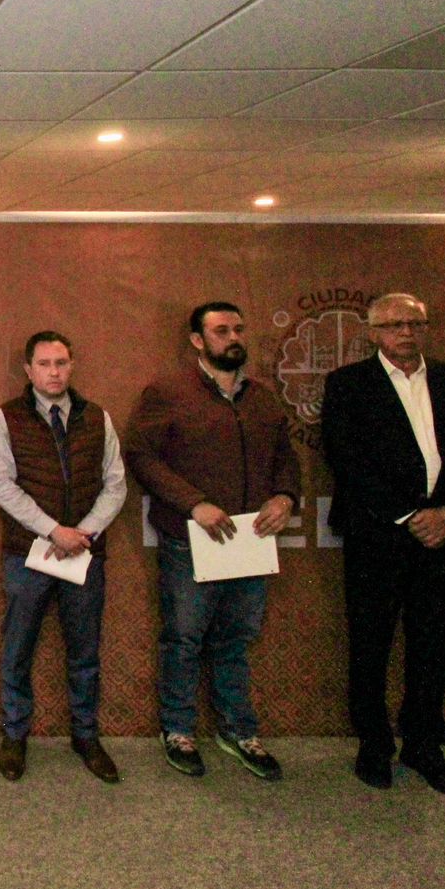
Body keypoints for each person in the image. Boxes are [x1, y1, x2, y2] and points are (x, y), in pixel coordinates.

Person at [322, 293, 445, 798]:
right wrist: (409, 515)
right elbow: (347, 460)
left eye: (415, 323)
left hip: (444, 536)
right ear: (373, 333)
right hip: (377, 536)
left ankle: (423, 745)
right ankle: (374, 745)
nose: (406, 333)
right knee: (370, 644)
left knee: (432, 645)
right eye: (395, 325)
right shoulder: (348, 384)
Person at [125, 301, 299, 781]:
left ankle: (238, 730)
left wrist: (285, 496)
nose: (233, 338)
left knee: (235, 640)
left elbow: (285, 457)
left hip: (249, 540)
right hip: (192, 539)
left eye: (238, 329)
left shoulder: (262, 399)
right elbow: (141, 455)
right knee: (183, 639)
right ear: (197, 341)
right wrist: (193, 503)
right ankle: (178, 728)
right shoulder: (168, 393)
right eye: (221, 331)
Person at [0, 331, 127, 783]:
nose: (54, 372)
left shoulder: (97, 418)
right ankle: (14, 735)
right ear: (28, 370)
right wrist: (54, 530)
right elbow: (2, 485)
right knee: (18, 648)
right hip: (28, 553)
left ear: (72, 366)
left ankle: (86, 736)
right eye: (44, 364)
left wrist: (82, 534)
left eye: (61, 363)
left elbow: (116, 484)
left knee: (85, 652)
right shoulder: (6, 418)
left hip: (84, 553)